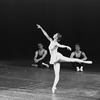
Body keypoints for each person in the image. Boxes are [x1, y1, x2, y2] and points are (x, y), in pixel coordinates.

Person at [36, 24, 92, 94]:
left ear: (56, 37)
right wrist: (41, 28)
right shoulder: (51, 41)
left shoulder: (56, 43)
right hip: (54, 59)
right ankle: (54, 87)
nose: (53, 34)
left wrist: (66, 46)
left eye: (55, 34)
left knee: (72, 59)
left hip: (57, 57)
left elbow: (60, 45)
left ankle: (85, 62)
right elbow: (46, 35)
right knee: (57, 74)